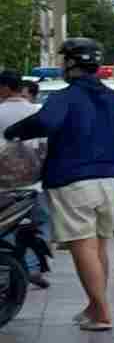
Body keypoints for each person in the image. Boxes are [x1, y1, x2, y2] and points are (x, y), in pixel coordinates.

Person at [3, 38, 114, 332]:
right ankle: (95, 306)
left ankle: (102, 312)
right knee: (99, 245)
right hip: (109, 183)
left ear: (70, 64)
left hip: (72, 182)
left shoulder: (65, 98)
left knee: (83, 245)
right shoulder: (113, 100)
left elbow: (45, 122)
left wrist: (13, 132)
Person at [0, 70, 50, 287]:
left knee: (6, 227)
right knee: (43, 221)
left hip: (4, 183)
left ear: (4, 88)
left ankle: (18, 266)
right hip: (36, 182)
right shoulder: (38, 110)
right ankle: (32, 264)